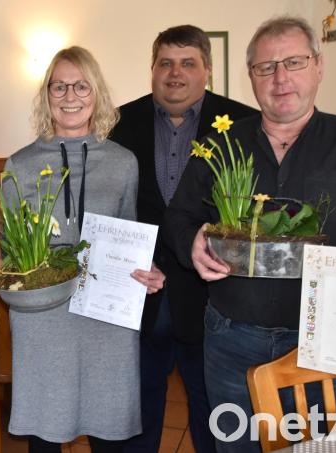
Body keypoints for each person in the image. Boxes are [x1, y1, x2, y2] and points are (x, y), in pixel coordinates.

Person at [163, 16, 336, 452]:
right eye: (266, 67)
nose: (280, 78)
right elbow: (179, 216)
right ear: (252, 77)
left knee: (329, 447)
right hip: (231, 339)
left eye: (294, 62)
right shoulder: (220, 146)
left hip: (333, 342)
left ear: (318, 66)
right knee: (236, 446)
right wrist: (192, 243)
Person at [2, 46, 165, 453]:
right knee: (45, 431)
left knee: (106, 428)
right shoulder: (19, 165)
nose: (70, 96)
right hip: (43, 317)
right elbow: (11, 251)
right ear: (46, 95)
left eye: (81, 86)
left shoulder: (123, 162)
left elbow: (128, 233)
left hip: (105, 313)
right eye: (59, 87)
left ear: (97, 93)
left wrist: (146, 269)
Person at [109, 25, 256, 453]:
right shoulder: (117, 123)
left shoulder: (243, 123)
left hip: (212, 295)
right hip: (140, 288)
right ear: (152, 69)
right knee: (138, 405)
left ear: (207, 70)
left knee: (211, 405)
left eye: (188, 63)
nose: (175, 73)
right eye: (166, 63)